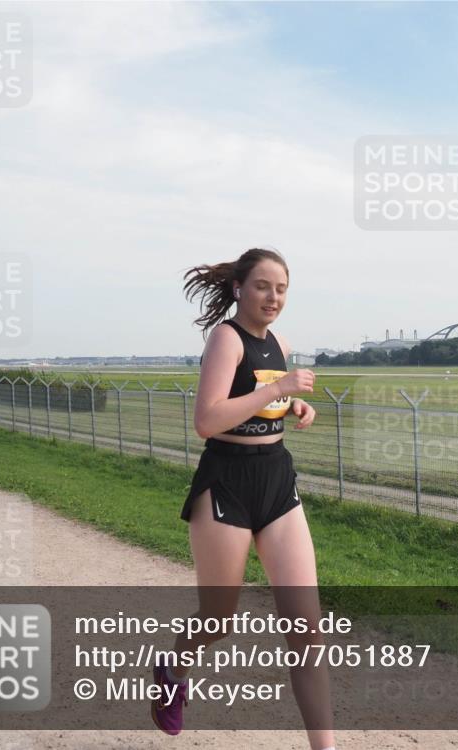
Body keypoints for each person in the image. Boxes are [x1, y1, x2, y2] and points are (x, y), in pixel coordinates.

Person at [151, 247, 336, 750]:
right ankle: (172, 666)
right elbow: (208, 419)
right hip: (227, 482)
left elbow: (259, 401)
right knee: (218, 620)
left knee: (307, 631)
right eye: (262, 286)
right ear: (239, 288)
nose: (272, 297)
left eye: (281, 289)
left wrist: (292, 404)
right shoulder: (225, 338)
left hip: (276, 479)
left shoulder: (280, 341)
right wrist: (281, 389)